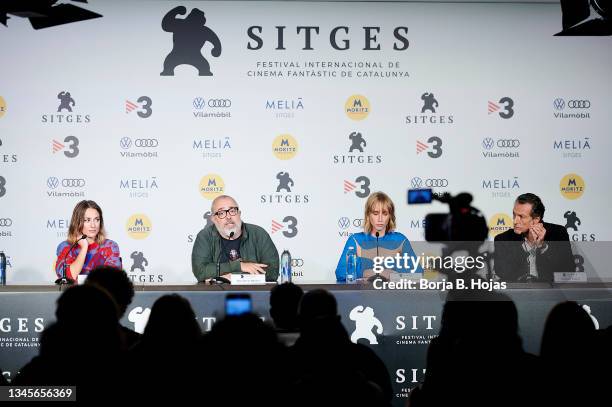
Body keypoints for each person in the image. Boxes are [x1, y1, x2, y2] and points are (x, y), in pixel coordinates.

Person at [335, 191, 421, 282]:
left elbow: (418, 273)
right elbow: (340, 273)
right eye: (375, 214)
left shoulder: (400, 240)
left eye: (384, 214)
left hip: (392, 294)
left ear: (390, 216)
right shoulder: (355, 240)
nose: (380, 219)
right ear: (368, 215)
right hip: (363, 294)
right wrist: (391, 268)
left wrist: (362, 264)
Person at [191, 195, 279, 282]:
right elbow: (200, 271)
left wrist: (231, 277)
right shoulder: (205, 236)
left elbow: (273, 272)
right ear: (214, 219)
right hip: (217, 294)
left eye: (232, 211)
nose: (228, 217)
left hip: (254, 293)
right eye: (221, 213)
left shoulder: (258, 234)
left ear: (239, 214)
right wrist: (239, 266)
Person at [494, 193, 574, 282]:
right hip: (516, 292)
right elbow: (502, 272)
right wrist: (529, 245)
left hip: (550, 291)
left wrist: (542, 247)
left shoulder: (558, 233)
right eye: (514, 214)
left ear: (536, 219)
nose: (515, 221)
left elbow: (568, 271)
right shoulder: (503, 238)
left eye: (521, 216)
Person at [55, 200, 121, 282]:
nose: (93, 225)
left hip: (102, 293)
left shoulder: (110, 246)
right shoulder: (66, 247)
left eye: (97, 220)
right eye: (87, 220)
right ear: (77, 222)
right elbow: (69, 277)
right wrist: (84, 248)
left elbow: (112, 278)